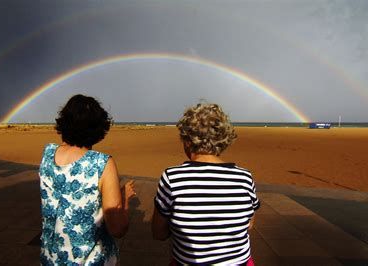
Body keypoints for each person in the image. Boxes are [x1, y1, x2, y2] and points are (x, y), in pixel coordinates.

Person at [152, 103, 259, 265]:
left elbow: (158, 233)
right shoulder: (244, 177)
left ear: (187, 141)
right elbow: (249, 224)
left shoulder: (172, 178)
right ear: (223, 139)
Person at [39, 94, 136, 265]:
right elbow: (117, 228)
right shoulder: (101, 163)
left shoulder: (47, 154)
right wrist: (125, 198)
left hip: (51, 258)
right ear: (99, 129)